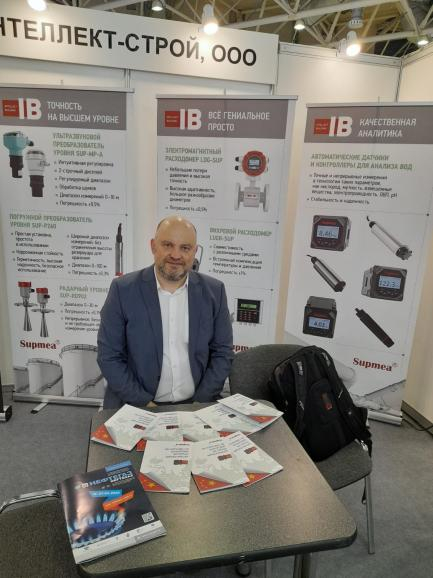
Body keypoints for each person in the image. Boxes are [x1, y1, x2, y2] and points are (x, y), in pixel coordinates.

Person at [97, 215, 233, 409]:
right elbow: (109, 357)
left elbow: (222, 353)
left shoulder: (214, 291)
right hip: (136, 405)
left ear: (194, 252)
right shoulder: (122, 290)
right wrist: (145, 404)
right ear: (153, 246)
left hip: (196, 404)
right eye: (168, 245)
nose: (176, 255)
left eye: (185, 248)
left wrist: (198, 403)